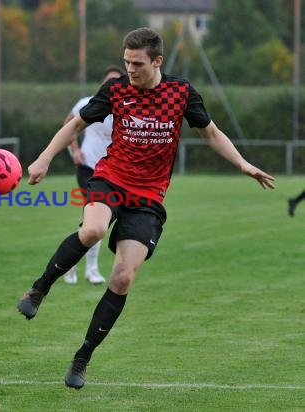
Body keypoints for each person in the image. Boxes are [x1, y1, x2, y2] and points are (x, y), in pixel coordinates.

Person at [16, 27, 275, 390]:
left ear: (157, 61)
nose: (130, 70)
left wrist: (243, 164)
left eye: (137, 64)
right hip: (110, 178)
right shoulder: (116, 90)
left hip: (149, 197)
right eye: (126, 62)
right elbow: (75, 124)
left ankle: (82, 357)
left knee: (122, 278)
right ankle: (38, 290)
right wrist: (43, 159)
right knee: (91, 231)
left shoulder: (181, 93)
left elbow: (212, 133)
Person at [64, 64, 124, 285]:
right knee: (95, 219)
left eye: (117, 81)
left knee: (95, 222)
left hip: (113, 172)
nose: (112, 85)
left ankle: (70, 264)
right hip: (88, 168)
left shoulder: (127, 109)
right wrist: (75, 150)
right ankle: (92, 269)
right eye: (109, 80)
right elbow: (69, 123)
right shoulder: (88, 103)